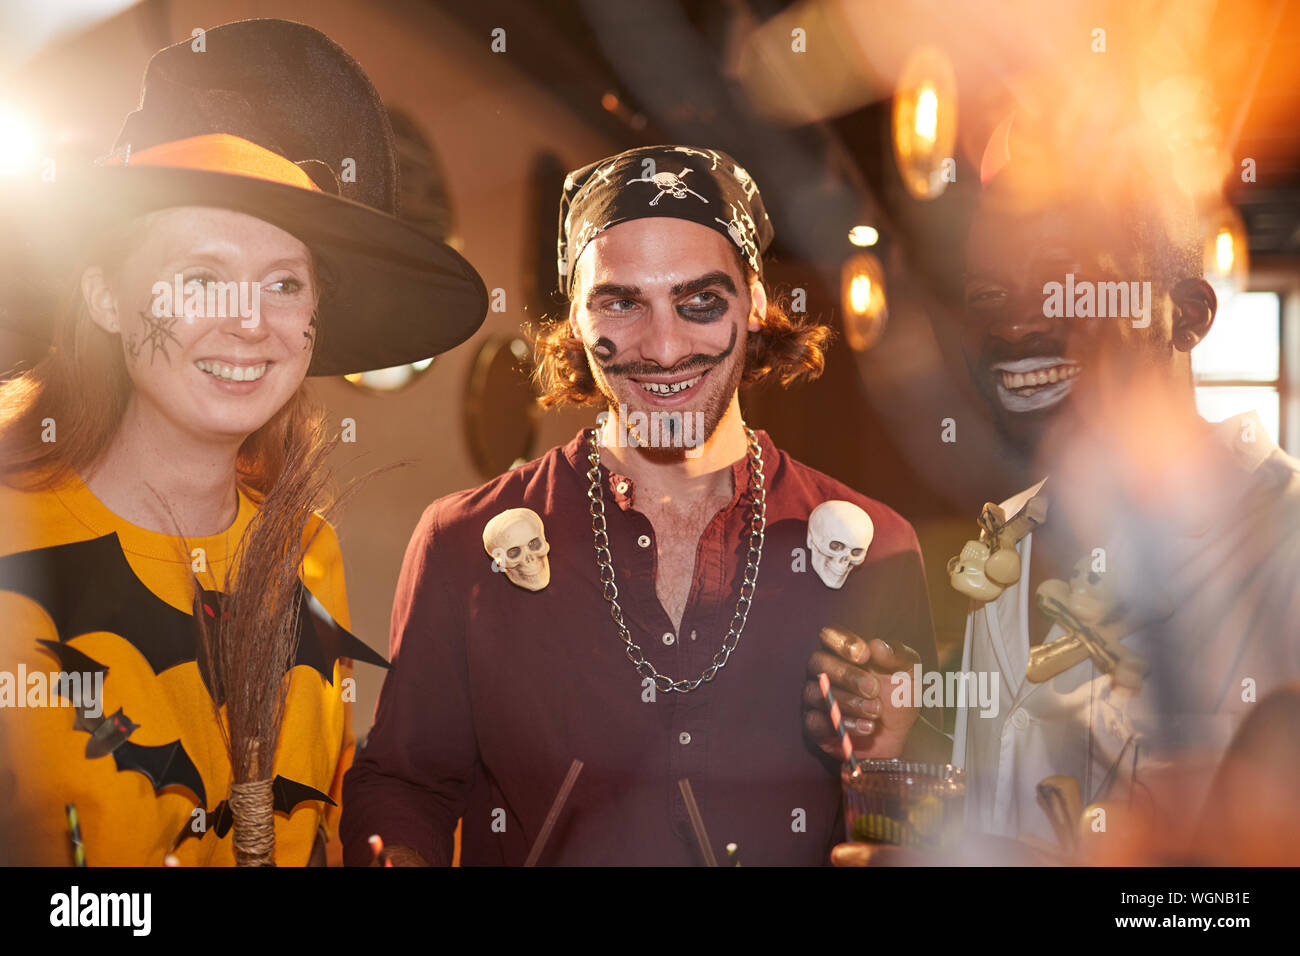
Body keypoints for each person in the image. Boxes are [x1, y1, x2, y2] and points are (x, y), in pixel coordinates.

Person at [342, 144, 943, 866]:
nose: (663, 349)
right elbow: (405, 787)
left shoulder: (877, 549)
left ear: (753, 305)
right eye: (622, 302)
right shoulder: (461, 543)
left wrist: (881, 767)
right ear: (575, 313)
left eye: (699, 303)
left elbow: (927, 833)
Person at [0, 18, 486, 866]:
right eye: (200, 277)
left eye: (284, 282)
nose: (249, 323)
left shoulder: (305, 550)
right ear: (107, 299)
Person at [944, 120, 1300, 856]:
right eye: (987, 293)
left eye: (1066, 281)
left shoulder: (1286, 538)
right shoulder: (1004, 539)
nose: (1014, 325)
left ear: (1189, 315)